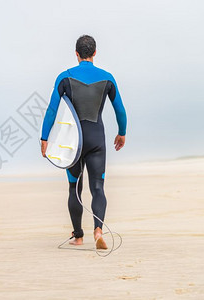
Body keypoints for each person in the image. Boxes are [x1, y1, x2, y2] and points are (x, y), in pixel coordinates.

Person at [40, 35, 127, 249]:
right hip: (97, 139)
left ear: (76, 54)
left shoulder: (64, 77)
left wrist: (44, 137)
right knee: (98, 188)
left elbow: (52, 110)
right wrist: (122, 132)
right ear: (95, 53)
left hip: (73, 144)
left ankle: (78, 236)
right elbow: (120, 110)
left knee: (74, 188)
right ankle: (98, 229)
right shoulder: (107, 78)